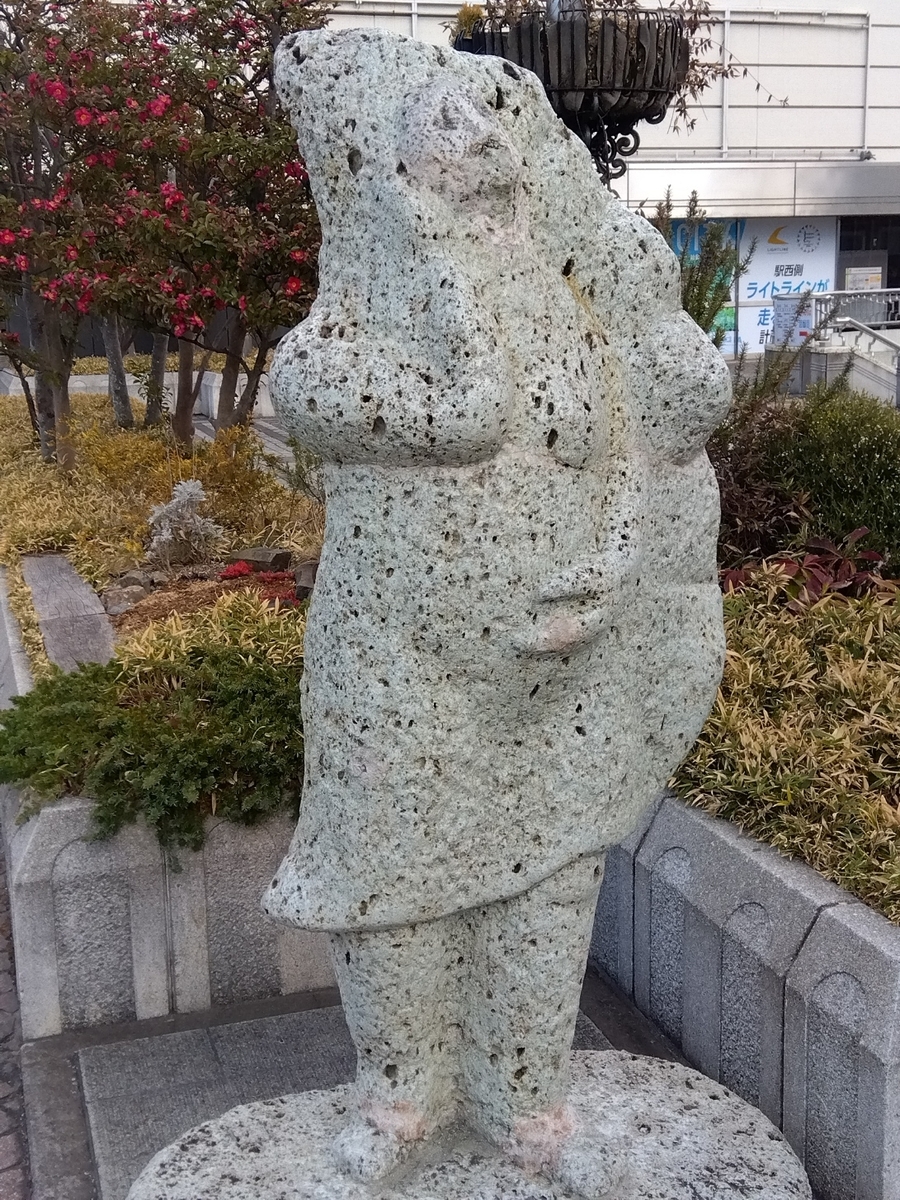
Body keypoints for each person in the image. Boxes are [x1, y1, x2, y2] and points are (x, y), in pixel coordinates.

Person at [265, 27, 731, 1198]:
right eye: (443, 128)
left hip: (565, 666)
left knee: (550, 878)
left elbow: (646, 456)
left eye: (491, 126)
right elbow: (452, 411)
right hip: (399, 659)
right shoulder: (334, 347)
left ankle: (525, 1101)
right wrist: (441, 274)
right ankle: (401, 1096)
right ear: (384, 176)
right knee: (386, 877)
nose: (477, 145)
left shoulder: (580, 312)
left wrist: (615, 570)